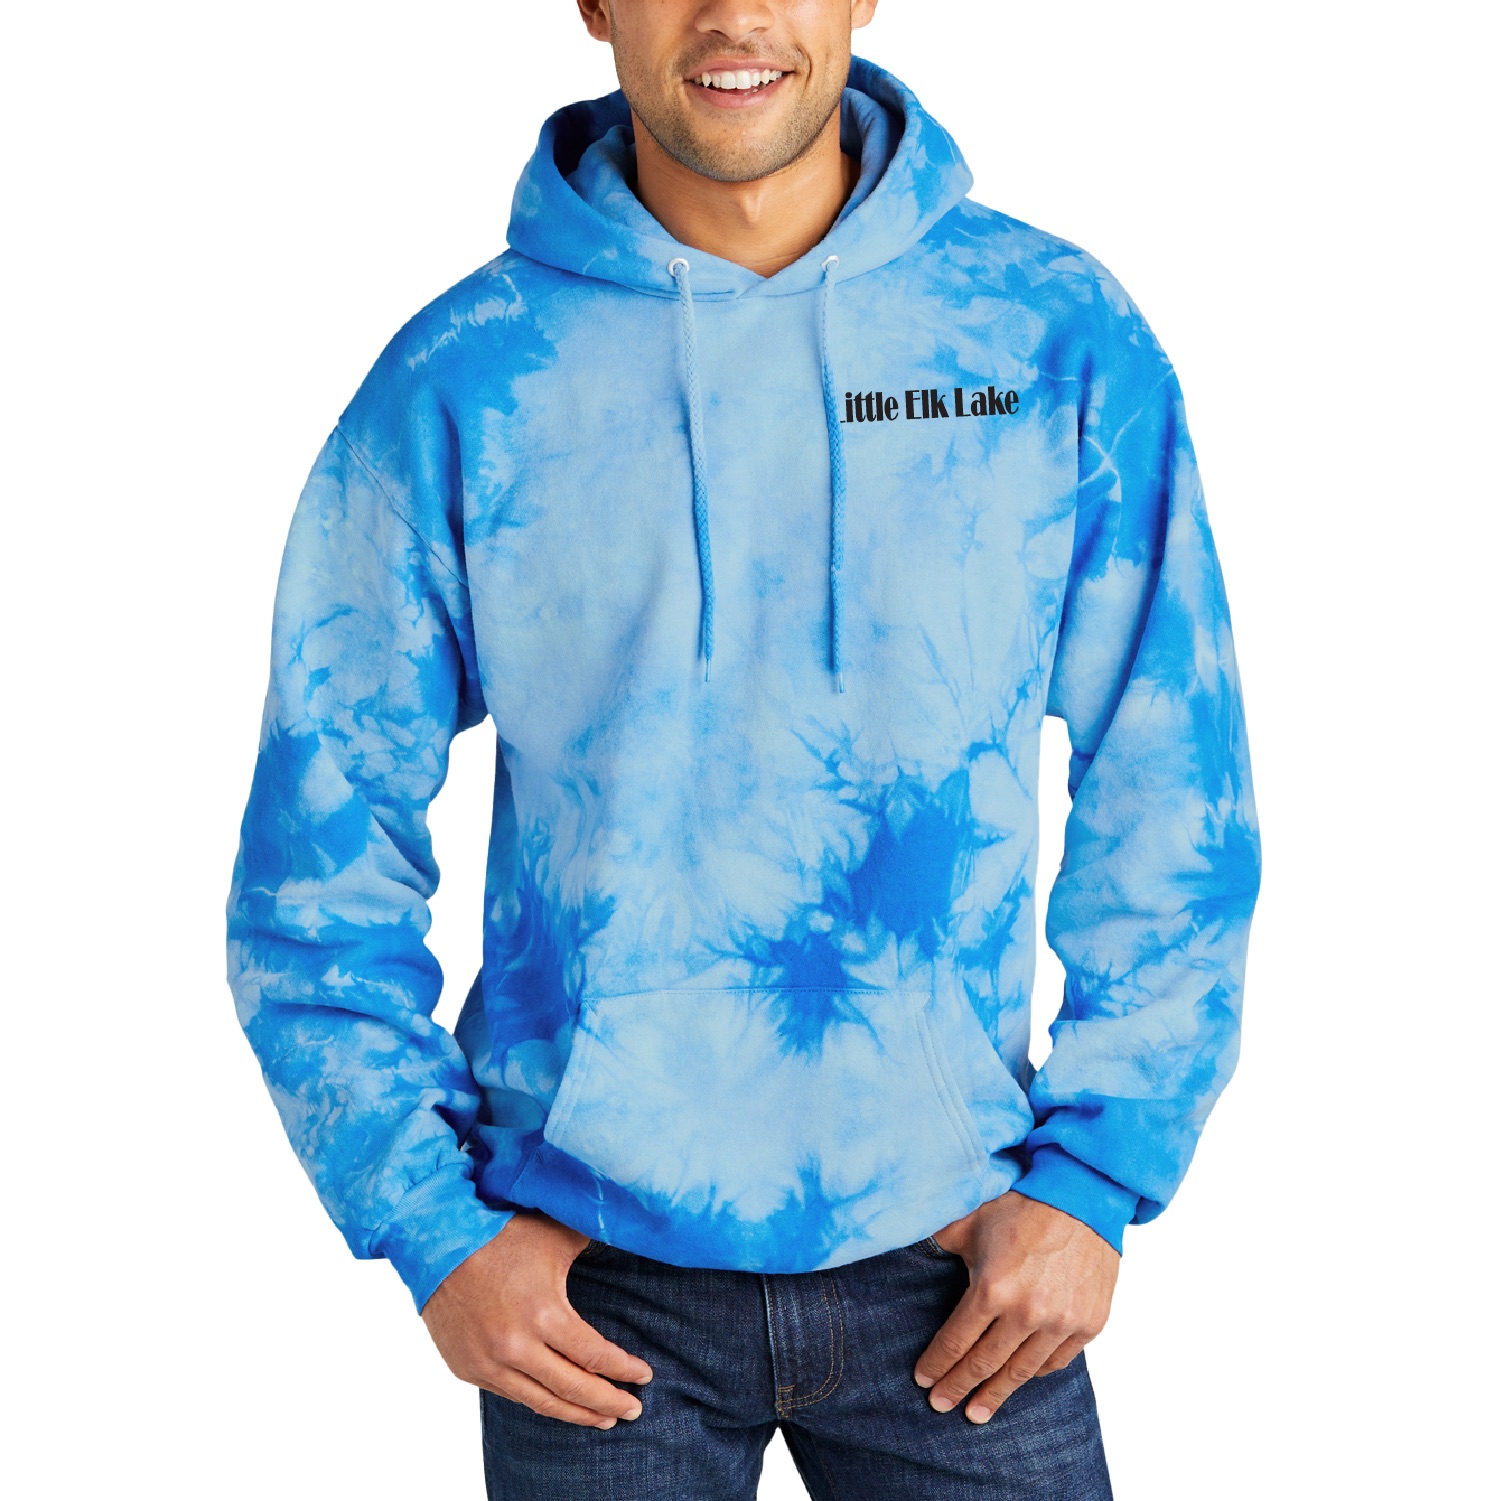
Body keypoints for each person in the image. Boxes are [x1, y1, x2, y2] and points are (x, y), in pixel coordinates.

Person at [225, 1, 1263, 1495]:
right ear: (593, 2)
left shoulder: (1042, 334)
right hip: (588, 1286)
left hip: (961, 1258)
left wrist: (1100, 1174)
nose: (733, 12)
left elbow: (1173, 783)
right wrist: (431, 1228)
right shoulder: (469, 377)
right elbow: (318, 858)